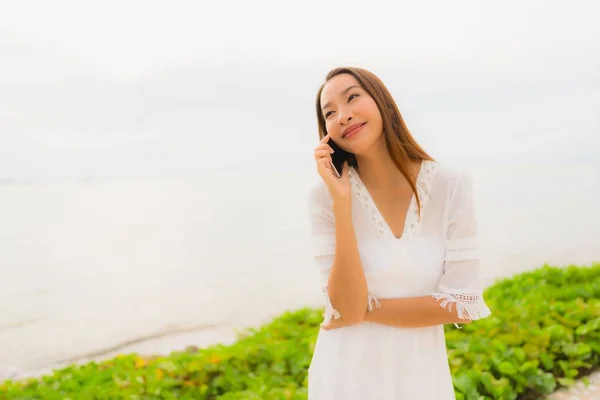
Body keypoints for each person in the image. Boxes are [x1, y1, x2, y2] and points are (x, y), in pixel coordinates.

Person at [307, 67, 492, 399]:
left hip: (420, 377)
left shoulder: (450, 186)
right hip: (343, 376)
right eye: (330, 113)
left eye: (352, 98)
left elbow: (461, 303)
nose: (343, 116)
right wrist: (342, 201)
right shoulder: (324, 197)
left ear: (382, 101)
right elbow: (342, 305)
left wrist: (362, 310)